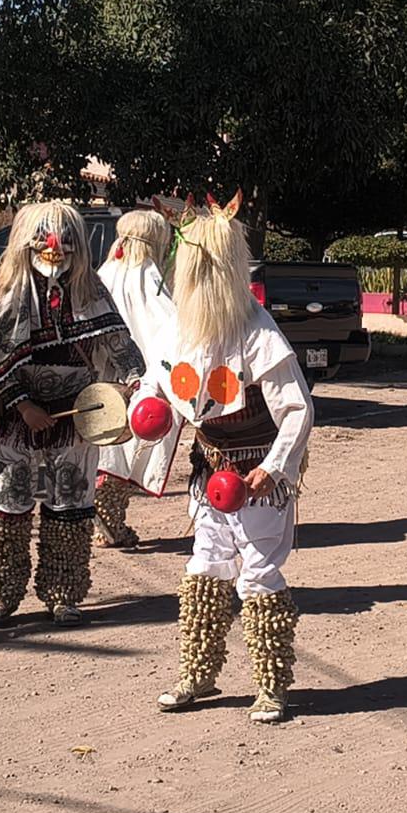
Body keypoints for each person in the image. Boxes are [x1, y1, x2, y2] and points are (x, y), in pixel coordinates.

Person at [0, 202, 144, 628]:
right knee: (8, 502)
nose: (54, 251)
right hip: (19, 417)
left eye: (65, 244)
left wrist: (135, 384)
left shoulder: (91, 292)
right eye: (46, 242)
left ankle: (63, 593)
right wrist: (22, 405)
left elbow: (119, 345)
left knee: (70, 502)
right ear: (27, 244)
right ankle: (1, 593)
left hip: (76, 419)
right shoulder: (6, 292)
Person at [132, 193, 313, 724]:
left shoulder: (258, 332)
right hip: (210, 471)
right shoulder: (179, 327)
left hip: (257, 472)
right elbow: (159, 377)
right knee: (205, 568)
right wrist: (147, 404)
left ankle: (271, 685)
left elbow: (298, 411)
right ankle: (199, 672)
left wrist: (274, 467)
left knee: (257, 573)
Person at [93, 207, 182, 547]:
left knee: (101, 446)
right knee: (132, 446)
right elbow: (170, 329)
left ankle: (105, 514)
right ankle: (112, 516)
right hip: (138, 382)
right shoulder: (149, 277)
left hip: (97, 379)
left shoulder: (103, 274)